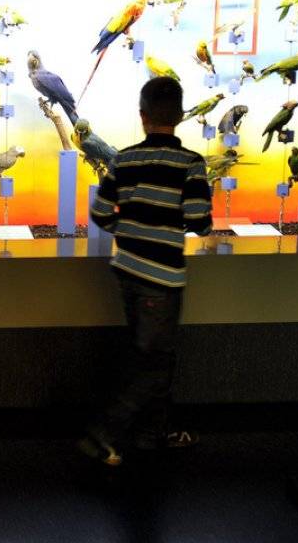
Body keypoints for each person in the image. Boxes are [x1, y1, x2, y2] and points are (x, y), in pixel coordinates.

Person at [77, 76, 213, 466]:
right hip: (163, 278)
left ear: (142, 117)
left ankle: (155, 433)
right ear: (182, 116)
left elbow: (101, 213)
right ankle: (103, 434)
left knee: (151, 354)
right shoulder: (191, 164)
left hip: (126, 272)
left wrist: (131, 228)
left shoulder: (123, 159)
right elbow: (199, 220)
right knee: (154, 361)